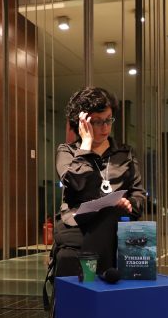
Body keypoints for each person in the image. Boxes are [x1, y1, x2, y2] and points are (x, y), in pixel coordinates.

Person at [53, 87, 146, 277]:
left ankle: (91, 276)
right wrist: (86, 146)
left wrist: (129, 203)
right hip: (78, 223)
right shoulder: (67, 152)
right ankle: (98, 276)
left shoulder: (125, 154)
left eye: (108, 120)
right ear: (82, 123)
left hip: (116, 222)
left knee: (110, 213)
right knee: (71, 249)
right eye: (97, 122)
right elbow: (75, 183)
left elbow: (139, 195)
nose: (105, 127)